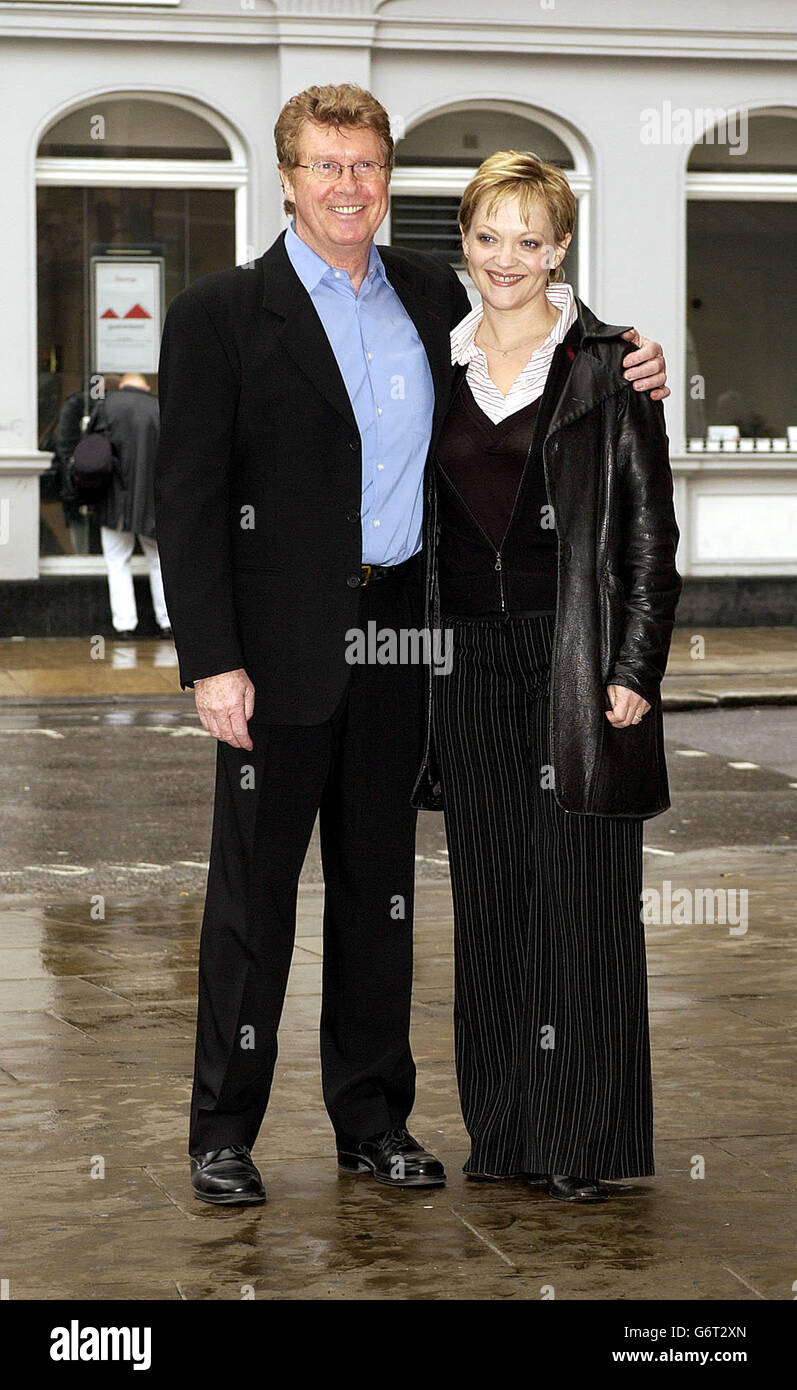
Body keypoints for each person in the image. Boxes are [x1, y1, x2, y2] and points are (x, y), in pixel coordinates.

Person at [153, 83, 669, 1207]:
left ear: (389, 181)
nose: (348, 186)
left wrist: (632, 359)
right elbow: (186, 504)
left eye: (367, 166)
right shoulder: (217, 317)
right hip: (273, 656)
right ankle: (223, 1129)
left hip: (405, 642)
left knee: (379, 892)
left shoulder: (431, 293)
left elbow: (536, 319)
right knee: (253, 900)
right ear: (284, 178)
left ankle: (371, 1117)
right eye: (325, 165)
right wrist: (211, 659)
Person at [413, 151, 681, 1202]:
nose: (506, 258)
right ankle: (507, 1130)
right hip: (463, 665)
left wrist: (633, 668)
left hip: (573, 661)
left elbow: (650, 539)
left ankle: (580, 1135)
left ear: (559, 247)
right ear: (464, 242)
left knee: (577, 904)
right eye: (488, 235)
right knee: (488, 902)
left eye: (530, 239)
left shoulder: (609, 364)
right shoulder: (431, 363)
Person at [94, 372, 171, 639]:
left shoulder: (106, 406)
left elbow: (90, 455)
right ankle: (167, 622)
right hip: (153, 503)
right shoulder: (161, 408)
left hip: (114, 500)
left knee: (117, 561)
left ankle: (125, 625)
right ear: (146, 386)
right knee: (160, 561)